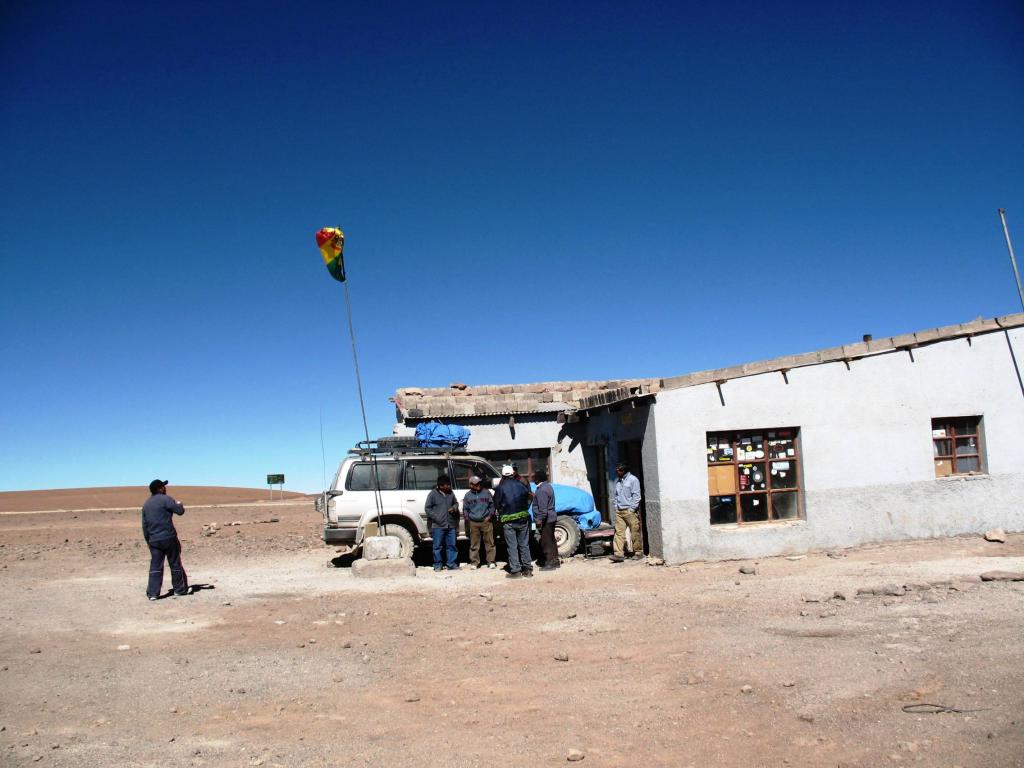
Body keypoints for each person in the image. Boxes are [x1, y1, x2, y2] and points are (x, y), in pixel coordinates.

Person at [141, 479, 189, 599]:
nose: (165, 488)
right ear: (160, 488)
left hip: (154, 539)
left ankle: (153, 593)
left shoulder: (146, 504)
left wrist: (149, 541)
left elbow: (144, 525)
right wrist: (180, 504)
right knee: (175, 563)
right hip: (168, 537)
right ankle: (179, 589)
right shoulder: (166, 499)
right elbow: (180, 511)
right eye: (163, 486)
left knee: (155, 566)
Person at [494, 464, 533, 578]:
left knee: (512, 546)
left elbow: (496, 504)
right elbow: (529, 498)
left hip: (509, 521)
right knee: (524, 544)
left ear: (502, 475)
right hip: (523, 520)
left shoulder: (500, 487)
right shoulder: (521, 485)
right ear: (512, 473)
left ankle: (516, 571)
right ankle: (528, 570)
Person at [425, 474, 460, 571]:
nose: (449, 486)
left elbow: (456, 503)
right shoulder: (432, 494)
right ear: (440, 486)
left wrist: (454, 508)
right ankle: (438, 565)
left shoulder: (451, 493)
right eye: (446, 485)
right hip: (438, 525)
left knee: (451, 545)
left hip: (451, 524)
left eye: (449, 484)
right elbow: (427, 508)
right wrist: (437, 518)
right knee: (437, 546)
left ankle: (451, 564)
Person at [610, 462, 643, 562]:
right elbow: (616, 496)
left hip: (629, 511)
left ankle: (638, 552)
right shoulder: (619, 482)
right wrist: (616, 507)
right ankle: (618, 554)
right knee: (619, 533)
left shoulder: (633, 480)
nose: (617, 472)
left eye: (619, 470)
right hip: (619, 511)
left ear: (625, 471)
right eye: (617, 470)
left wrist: (632, 509)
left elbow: (636, 496)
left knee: (634, 532)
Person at [462, 475, 497, 569]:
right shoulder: (467, 495)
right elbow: (465, 509)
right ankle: (474, 562)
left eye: (479, 483)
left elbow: (492, 506)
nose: (478, 485)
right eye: (476, 484)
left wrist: (489, 516)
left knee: (489, 542)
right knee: (474, 544)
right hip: (473, 522)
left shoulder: (487, 492)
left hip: (486, 521)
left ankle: (491, 561)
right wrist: (468, 519)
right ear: (471, 485)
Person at [532, 469, 559, 570]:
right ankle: (555, 561)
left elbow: (543, 510)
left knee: (546, 541)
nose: (533, 479)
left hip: (546, 520)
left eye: (535, 477)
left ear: (539, 479)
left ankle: (550, 562)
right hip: (551, 518)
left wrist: (539, 521)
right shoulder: (548, 486)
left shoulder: (542, 490)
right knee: (551, 540)